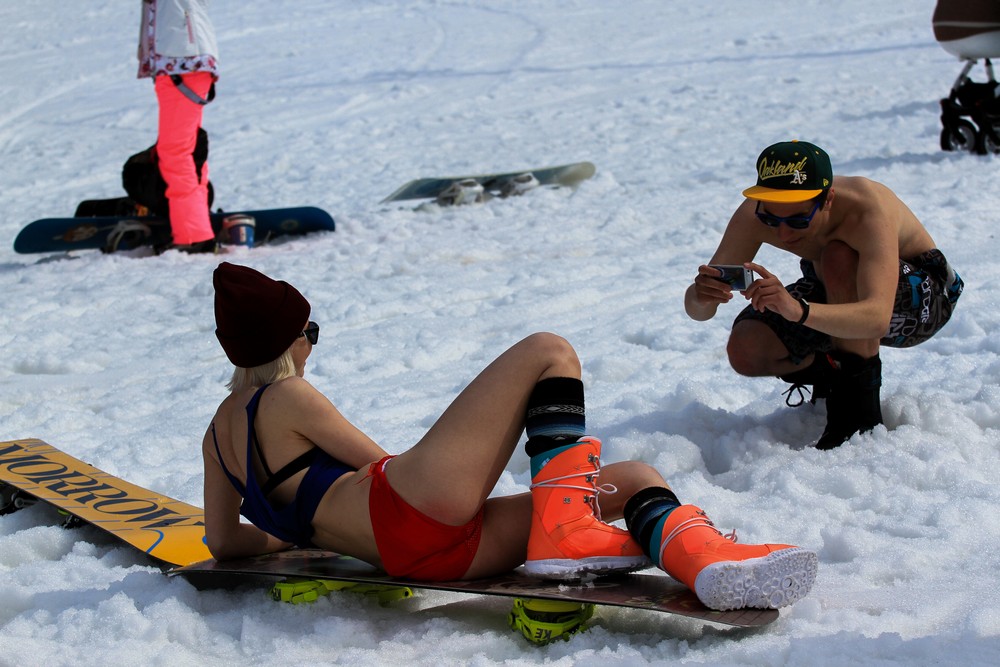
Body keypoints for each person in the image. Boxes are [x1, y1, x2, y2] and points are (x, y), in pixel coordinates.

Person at [202, 262, 818, 612]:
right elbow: (380, 464)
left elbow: (224, 542)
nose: (312, 341)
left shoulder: (216, 437)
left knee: (632, 480)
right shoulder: (287, 397)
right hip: (410, 510)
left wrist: (295, 535)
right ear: (286, 342)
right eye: (309, 328)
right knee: (548, 352)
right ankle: (569, 531)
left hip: (421, 555)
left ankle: (705, 562)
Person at [684, 141, 963, 449]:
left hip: (926, 299)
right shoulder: (753, 214)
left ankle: (857, 416)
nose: (784, 234)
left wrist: (799, 311)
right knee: (747, 348)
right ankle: (835, 373)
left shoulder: (866, 209)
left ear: (828, 198)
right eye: (771, 220)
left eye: (799, 220)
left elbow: (875, 319)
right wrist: (701, 295)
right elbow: (700, 311)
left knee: (838, 257)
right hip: (835, 286)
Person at [137, 0, 219, 253]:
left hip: (184, 61)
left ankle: (193, 235)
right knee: (181, 149)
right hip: (176, 62)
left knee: (176, 152)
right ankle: (194, 227)